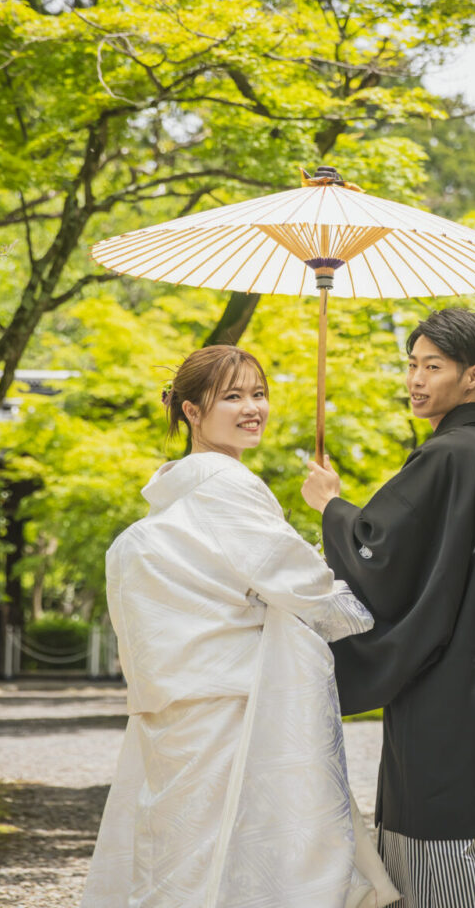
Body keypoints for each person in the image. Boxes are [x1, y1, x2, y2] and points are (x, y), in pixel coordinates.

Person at [81, 345, 399, 908]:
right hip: (231, 709)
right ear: (191, 413)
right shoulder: (226, 484)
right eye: (232, 397)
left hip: (177, 710)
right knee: (243, 860)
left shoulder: (170, 499)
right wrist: (337, 521)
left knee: (185, 854)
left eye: (258, 393)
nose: (253, 408)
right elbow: (308, 589)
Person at [301, 307, 475, 908]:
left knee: (436, 830)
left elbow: (381, 553)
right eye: (412, 365)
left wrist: (331, 506)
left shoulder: (447, 457)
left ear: (472, 376)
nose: (416, 380)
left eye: (433, 367)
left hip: (448, 681)